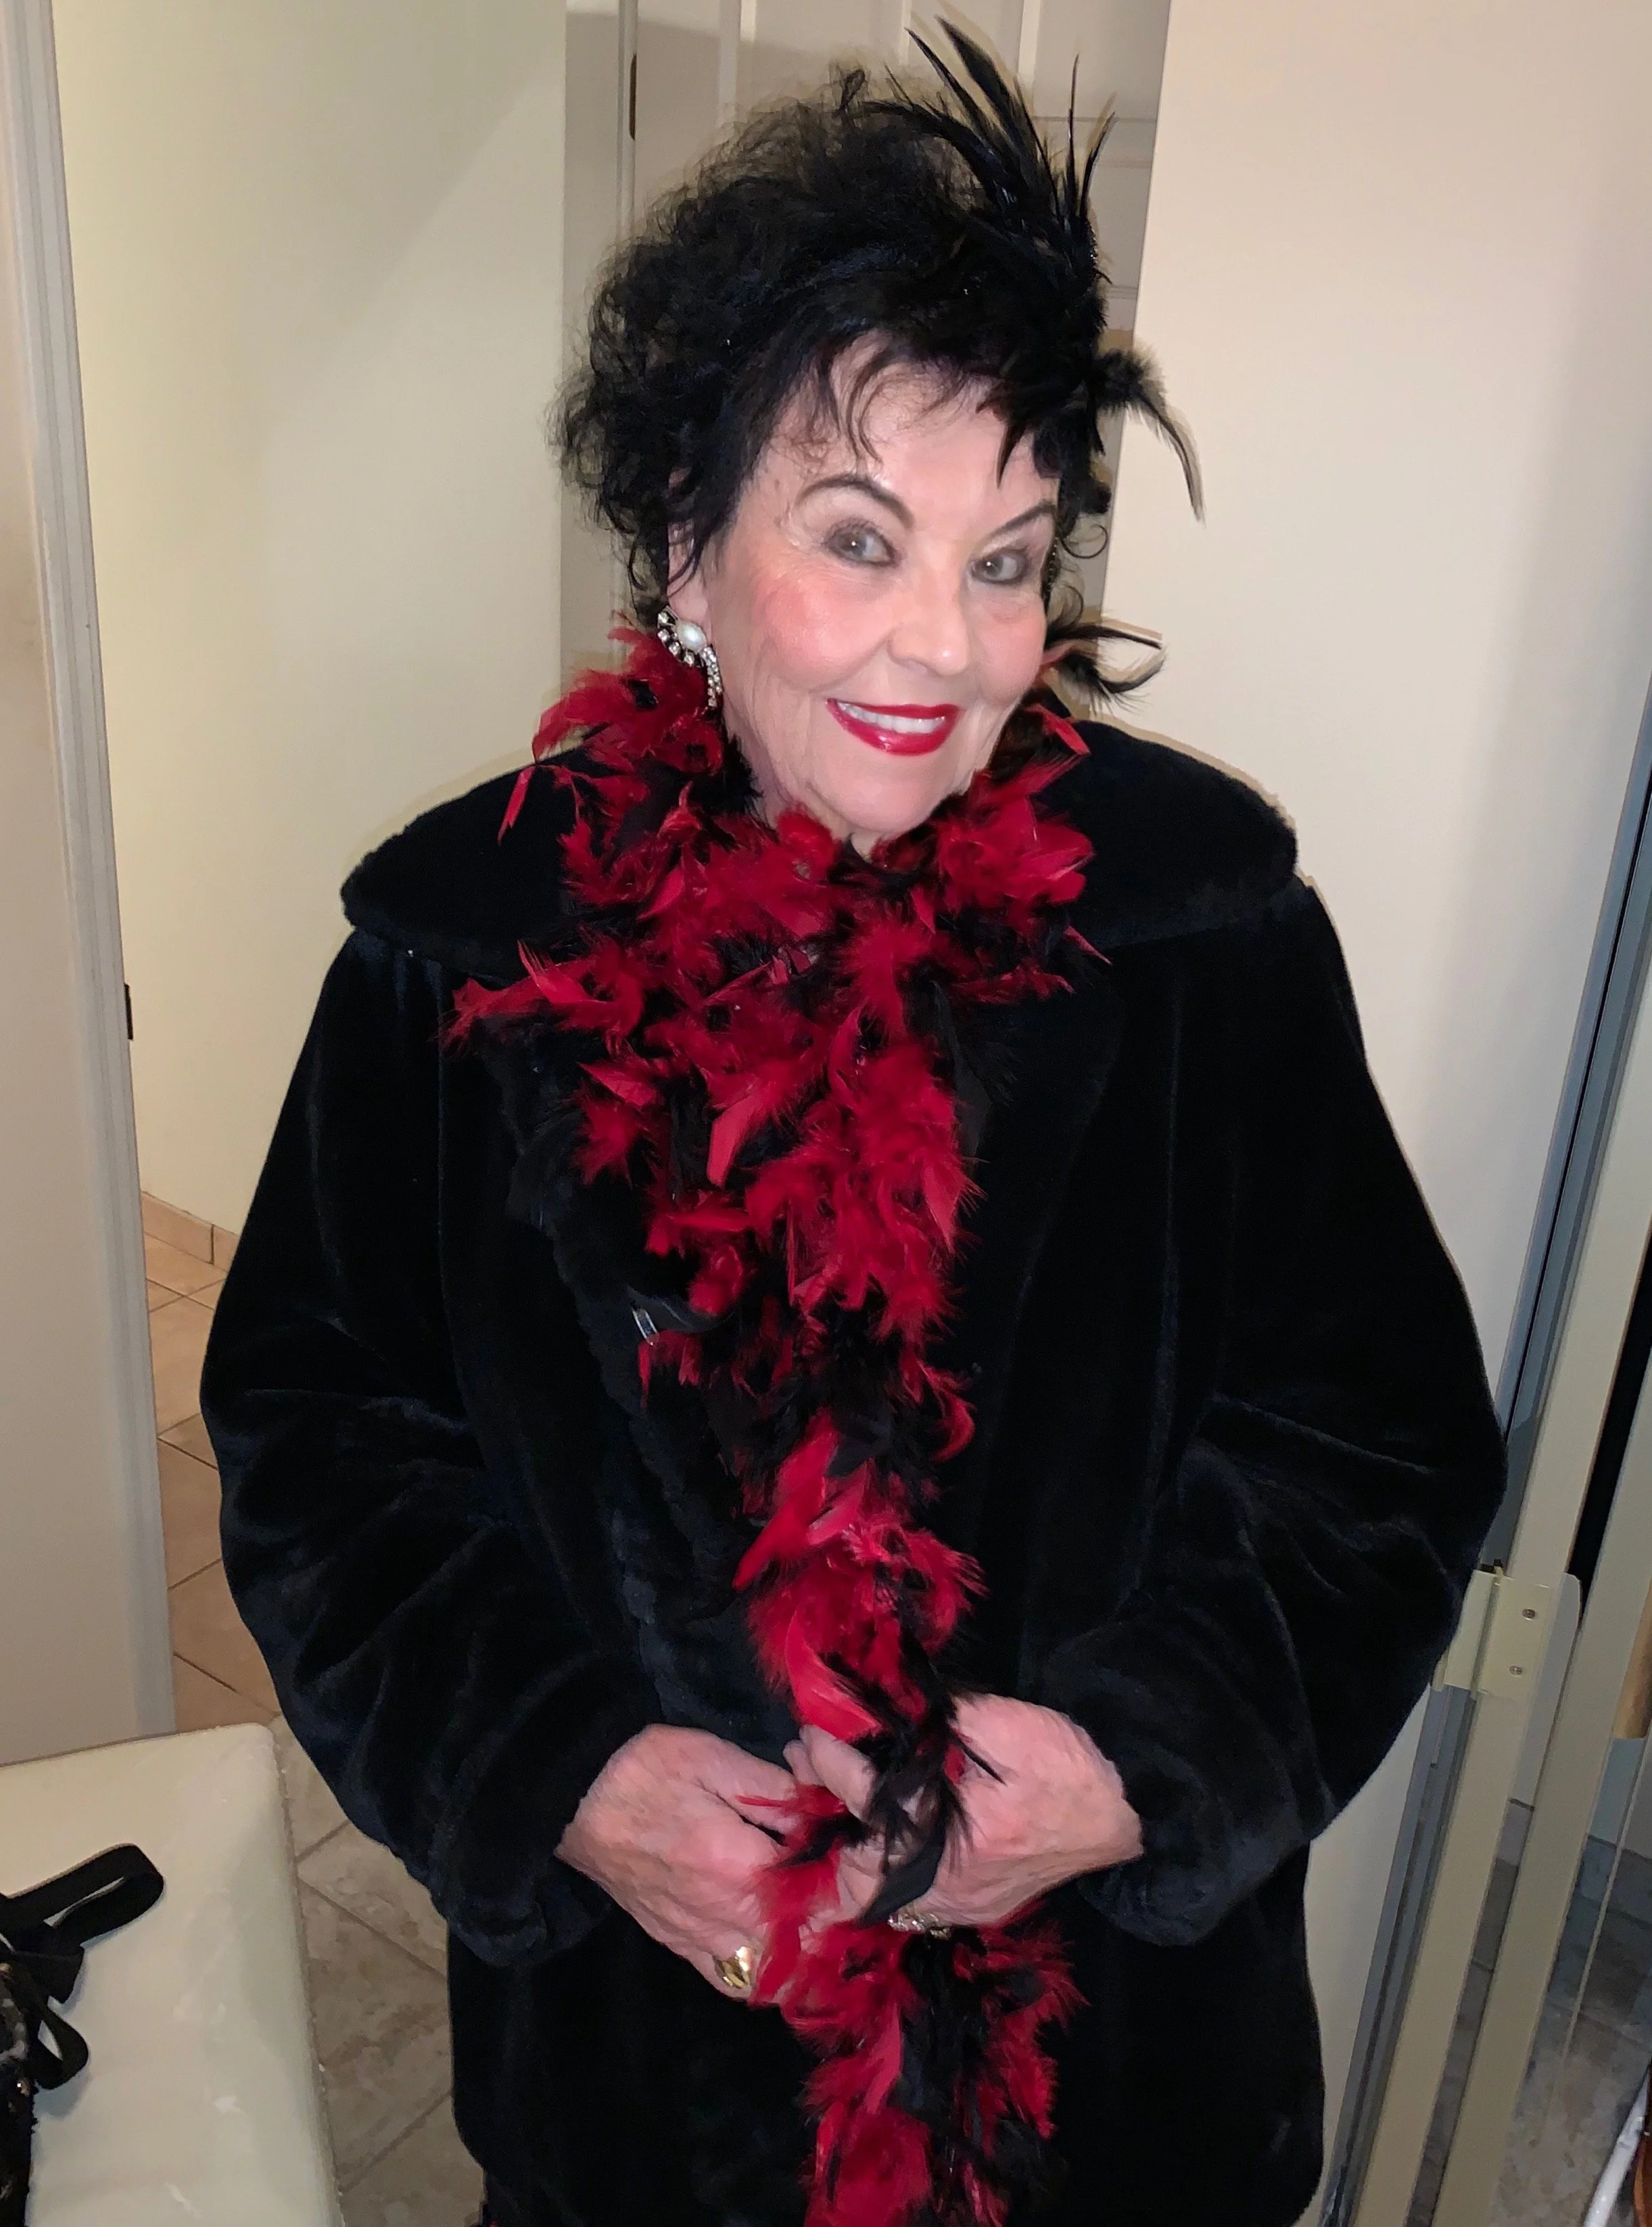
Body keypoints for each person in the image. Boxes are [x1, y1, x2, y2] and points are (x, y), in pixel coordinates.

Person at [203, 30, 1505, 2227]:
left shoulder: (1203, 936)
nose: (950, 648)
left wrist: (1130, 1763)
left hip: (1120, 2095)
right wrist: (564, 1778)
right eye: (860, 538)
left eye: (1008, 560)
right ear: (685, 544)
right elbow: (320, 1448)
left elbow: (1379, 1442)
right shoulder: (454, 962)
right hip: (646, 2097)